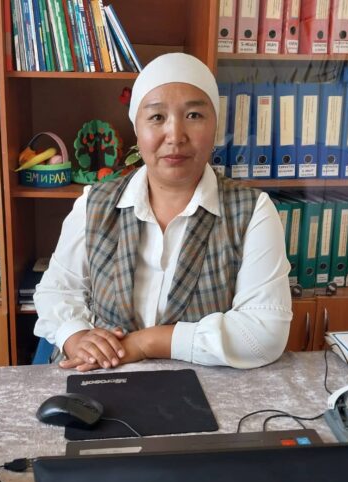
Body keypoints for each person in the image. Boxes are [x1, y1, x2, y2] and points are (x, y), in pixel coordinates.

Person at [33, 52, 292, 372]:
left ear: (215, 125)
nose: (175, 136)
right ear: (137, 127)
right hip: (103, 375)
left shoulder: (252, 212)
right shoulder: (94, 204)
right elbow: (56, 290)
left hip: (205, 384)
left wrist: (145, 343)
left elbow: (265, 332)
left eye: (194, 115)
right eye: (157, 117)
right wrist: (77, 337)